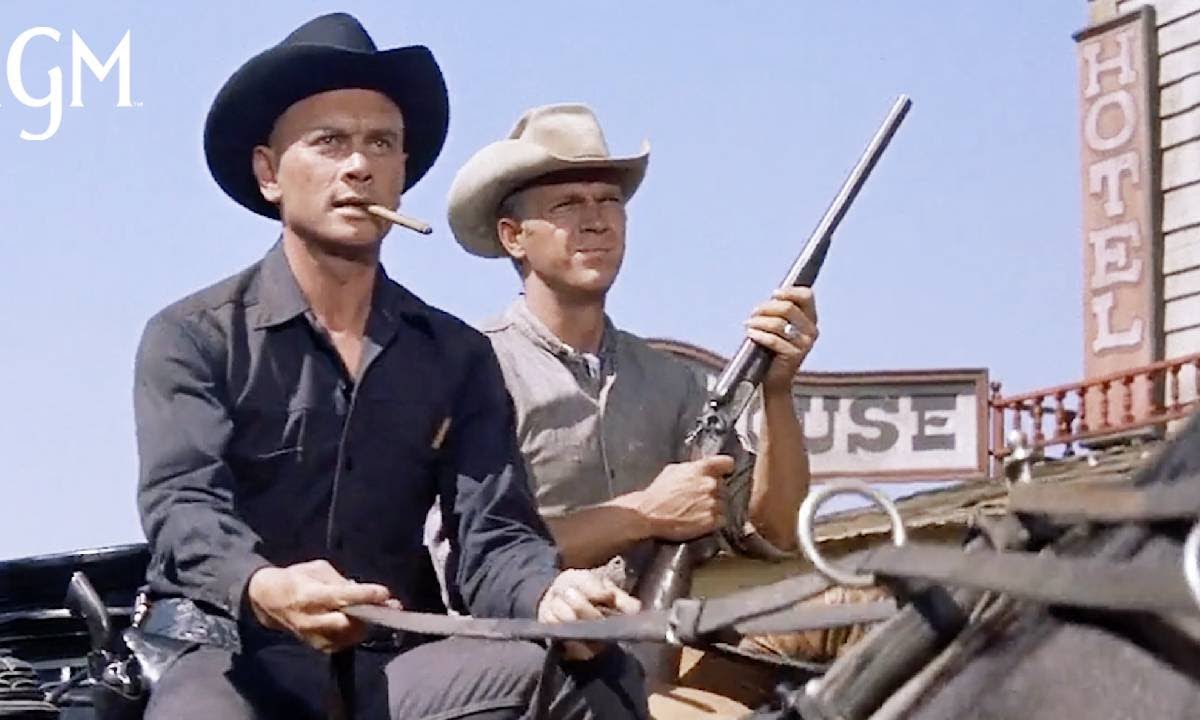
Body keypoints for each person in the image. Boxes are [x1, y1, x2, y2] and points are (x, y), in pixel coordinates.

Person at [133, 17, 646, 719]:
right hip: (231, 654)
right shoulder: (194, 337)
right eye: (329, 142)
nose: (358, 166)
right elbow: (183, 509)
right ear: (269, 173)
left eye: (381, 143)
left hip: (394, 665)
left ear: (402, 173)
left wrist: (548, 594)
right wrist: (265, 586)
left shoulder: (454, 355)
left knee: (593, 673)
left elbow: (493, 538)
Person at [444, 104, 818, 581]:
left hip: (665, 626)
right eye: (567, 205)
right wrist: (644, 515)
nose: (596, 221)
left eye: (609, 201)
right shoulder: (471, 368)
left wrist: (777, 391)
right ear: (513, 236)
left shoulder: (673, 383)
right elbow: (470, 557)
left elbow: (776, 534)